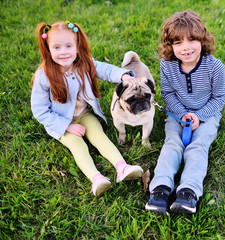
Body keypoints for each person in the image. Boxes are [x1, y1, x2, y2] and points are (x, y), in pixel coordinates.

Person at [31, 21, 143, 197]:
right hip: (60, 122)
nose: (63, 52)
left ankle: (122, 167)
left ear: (77, 45)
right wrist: (67, 126)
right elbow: (39, 110)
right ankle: (96, 178)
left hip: (83, 114)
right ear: (48, 49)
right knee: (77, 145)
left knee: (99, 135)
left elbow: (105, 69)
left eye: (69, 46)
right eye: (57, 47)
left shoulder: (84, 63)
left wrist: (122, 75)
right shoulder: (43, 76)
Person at [145, 10, 225, 215]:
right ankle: (160, 190)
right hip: (177, 113)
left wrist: (199, 116)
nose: (186, 47)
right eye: (178, 42)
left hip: (206, 114)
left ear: (202, 40)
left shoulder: (215, 67)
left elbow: (219, 98)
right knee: (172, 144)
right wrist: (182, 114)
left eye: (191, 40)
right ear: (170, 46)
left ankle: (188, 192)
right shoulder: (167, 65)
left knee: (198, 146)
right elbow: (168, 93)